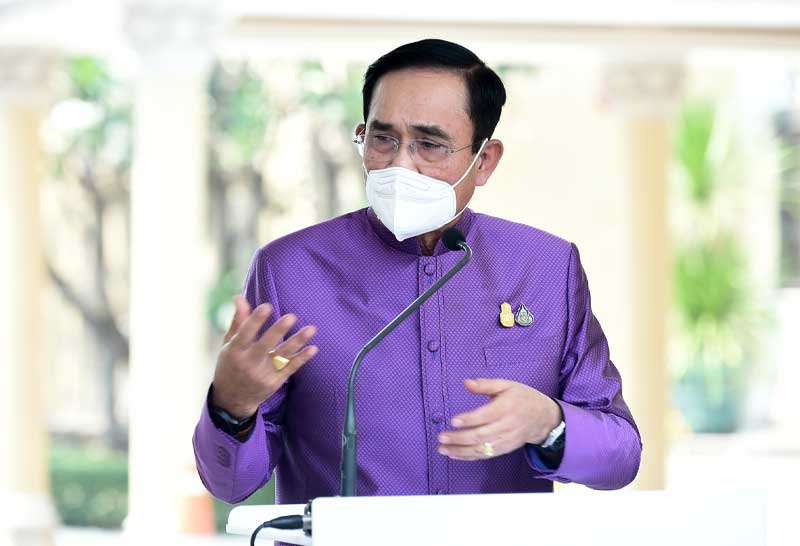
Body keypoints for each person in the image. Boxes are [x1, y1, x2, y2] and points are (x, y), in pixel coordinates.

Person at [193, 39, 641, 506]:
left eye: (429, 144)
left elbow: (622, 457)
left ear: (484, 161)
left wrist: (549, 423)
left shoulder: (545, 267)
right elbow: (231, 485)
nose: (400, 164)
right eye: (383, 139)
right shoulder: (289, 270)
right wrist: (232, 407)